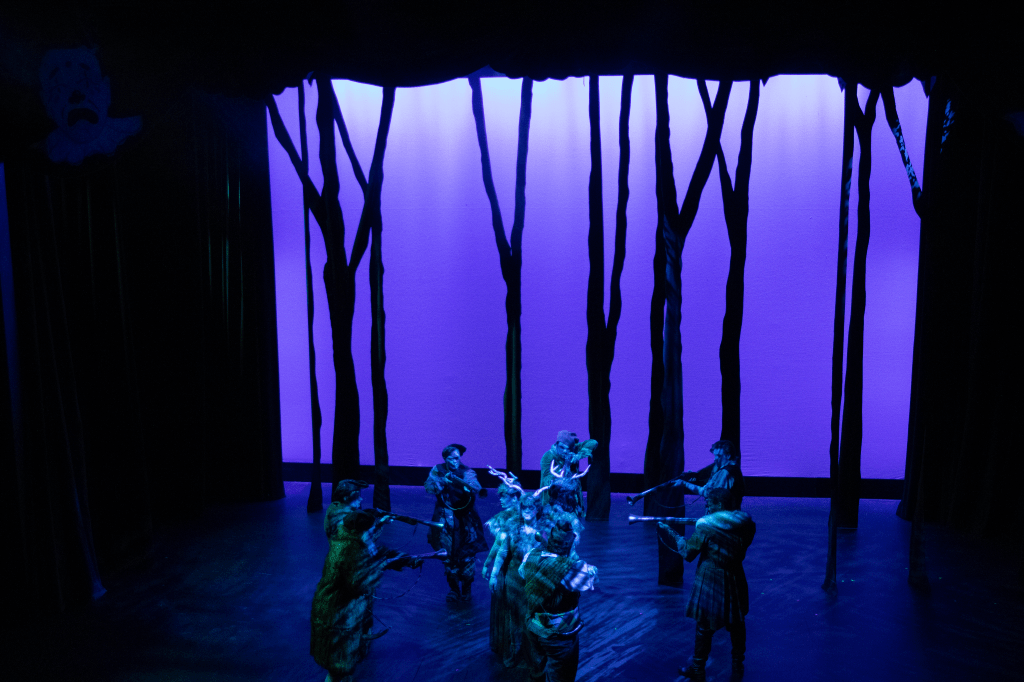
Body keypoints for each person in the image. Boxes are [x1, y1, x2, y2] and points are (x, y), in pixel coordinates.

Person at [311, 481, 424, 682]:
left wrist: (404, 559)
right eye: (370, 530)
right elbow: (360, 581)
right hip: (338, 612)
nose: (373, 534)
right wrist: (383, 564)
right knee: (338, 666)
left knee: (346, 663)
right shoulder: (348, 550)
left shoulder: (354, 542)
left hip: (346, 609)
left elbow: (376, 552)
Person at [659, 488, 756, 681]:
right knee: (737, 625)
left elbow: (688, 553)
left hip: (711, 579)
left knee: (704, 627)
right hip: (735, 577)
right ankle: (738, 667)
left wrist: (675, 536)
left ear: (719, 504)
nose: (707, 508)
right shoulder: (747, 525)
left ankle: (698, 668)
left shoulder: (706, 526)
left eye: (709, 504)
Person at [520, 519, 598, 682]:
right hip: (558, 633)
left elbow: (522, 573)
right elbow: (590, 580)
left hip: (533, 626)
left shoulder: (530, 555)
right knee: (561, 675)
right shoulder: (572, 568)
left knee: (537, 671)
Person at [424, 443, 488, 601]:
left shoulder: (466, 471)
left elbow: (474, 483)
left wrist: (470, 488)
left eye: (457, 458)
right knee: (448, 554)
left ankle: (466, 588)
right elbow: (429, 487)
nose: (455, 461)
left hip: (465, 519)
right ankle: (454, 589)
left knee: (467, 554)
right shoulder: (438, 470)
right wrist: (442, 482)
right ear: (445, 458)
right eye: (452, 459)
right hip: (446, 519)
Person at [673, 439, 745, 510]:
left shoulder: (725, 472)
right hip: (730, 514)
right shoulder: (734, 469)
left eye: (718, 456)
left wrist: (684, 483)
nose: (715, 459)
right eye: (715, 455)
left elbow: (709, 494)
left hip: (721, 515)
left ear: (728, 456)